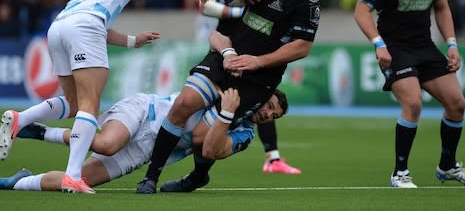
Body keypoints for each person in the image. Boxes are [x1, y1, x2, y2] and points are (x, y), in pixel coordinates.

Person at [0, 0, 210, 194]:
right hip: (84, 27)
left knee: (75, 103)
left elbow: (94, 20)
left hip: (61, 27)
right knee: (90, 104)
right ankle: (72, 176)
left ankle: (20, 119)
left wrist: (133, 41)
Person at [136, 0, 319, 194]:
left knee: (203, 139)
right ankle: (150, 177)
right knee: (183, 103)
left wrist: (258, 61)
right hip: (226, 54)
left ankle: (198, 176)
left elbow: (303, 46)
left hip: (257, 80)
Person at [353, 0, 465, 188]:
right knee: (413, 103)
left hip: (425, 46)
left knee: (457, 105)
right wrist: (378, 43)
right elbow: (361, 11)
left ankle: (447, 166)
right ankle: (400, 173)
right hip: (395, 48)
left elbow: (442, 7)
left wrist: (452, 44)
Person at [0, 87, 288, 193]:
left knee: (78, 181)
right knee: (105, 143)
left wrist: (226, 114)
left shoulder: (245, 133)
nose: (268, 113)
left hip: (148, 149)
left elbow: (211, 146)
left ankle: (17, 182)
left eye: (274, 114)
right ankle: (39, 131)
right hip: (145, 112)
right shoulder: (230, 87)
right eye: (270, 105)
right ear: (263, 96)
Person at [197, 0, 301, 175]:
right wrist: (238, 13)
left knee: (262, 98)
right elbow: (204, 6)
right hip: (224, 43)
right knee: (220, 101)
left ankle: (273, 156)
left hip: (251, 41)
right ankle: (197, 153)